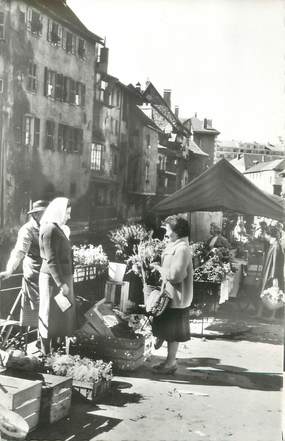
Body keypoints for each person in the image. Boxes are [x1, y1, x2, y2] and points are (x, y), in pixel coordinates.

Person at [151, 215, 193, 374]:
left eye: (167, 228)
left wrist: (159, 269)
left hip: (177, 297)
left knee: (173, 333)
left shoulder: (181, 248)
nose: (165, 231)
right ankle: (169, 362)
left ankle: (170, 363)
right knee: (170, 331)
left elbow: (176, 276)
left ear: (176, 232)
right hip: (171, 295)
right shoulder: (175, 245)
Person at [0, 200, 48, 327]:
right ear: (35, 215)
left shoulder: (49, 226)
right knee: (38, 306)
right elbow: (19, 251)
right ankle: (39, 335)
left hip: (49, 270)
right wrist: (10, 270)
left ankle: (48, 336)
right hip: (35, 271)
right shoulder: (27, 229)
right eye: (45, 213)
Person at [38, 197, 76, 354]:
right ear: (59, 212)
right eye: (67, 213)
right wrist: (62, 284)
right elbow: (51, 259)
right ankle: (46, 352)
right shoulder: (50, 230)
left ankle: (54, 349)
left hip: (61, 278)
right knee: (48, 314)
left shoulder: (57, 229)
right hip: (53, 280)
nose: (69, 216)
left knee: (59, 314)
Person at [256, 225, 284, 320]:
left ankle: (272, 315)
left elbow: (276, 263)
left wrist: (273, 277)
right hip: (268, 273)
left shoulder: (276, 246)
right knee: (264, 292)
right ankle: (259, 313)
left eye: (264, 234)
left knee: (273, 293)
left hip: (272, 274)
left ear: (269, 235)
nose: (263, 236)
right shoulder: (272, 245)